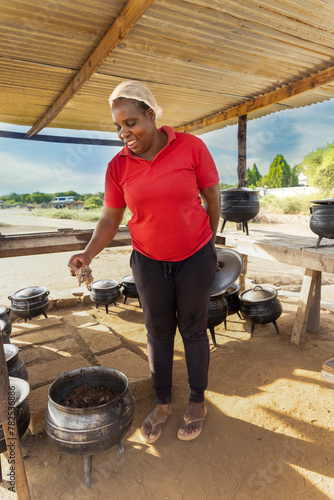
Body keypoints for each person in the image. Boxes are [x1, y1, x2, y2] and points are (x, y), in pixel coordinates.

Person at [68, 80, 221, 443]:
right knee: (158, 333)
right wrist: (88, 254)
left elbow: (212, 198)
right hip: (149, 262)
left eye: (131, 122)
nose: (124, 133)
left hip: (195, 257)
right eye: (118, 127)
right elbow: (110, 219)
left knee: (195, 330)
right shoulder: (118, 166)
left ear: (151, 115)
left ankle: (197, 400)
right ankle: (164, 402)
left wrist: (208, 245)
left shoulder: (191, 147)